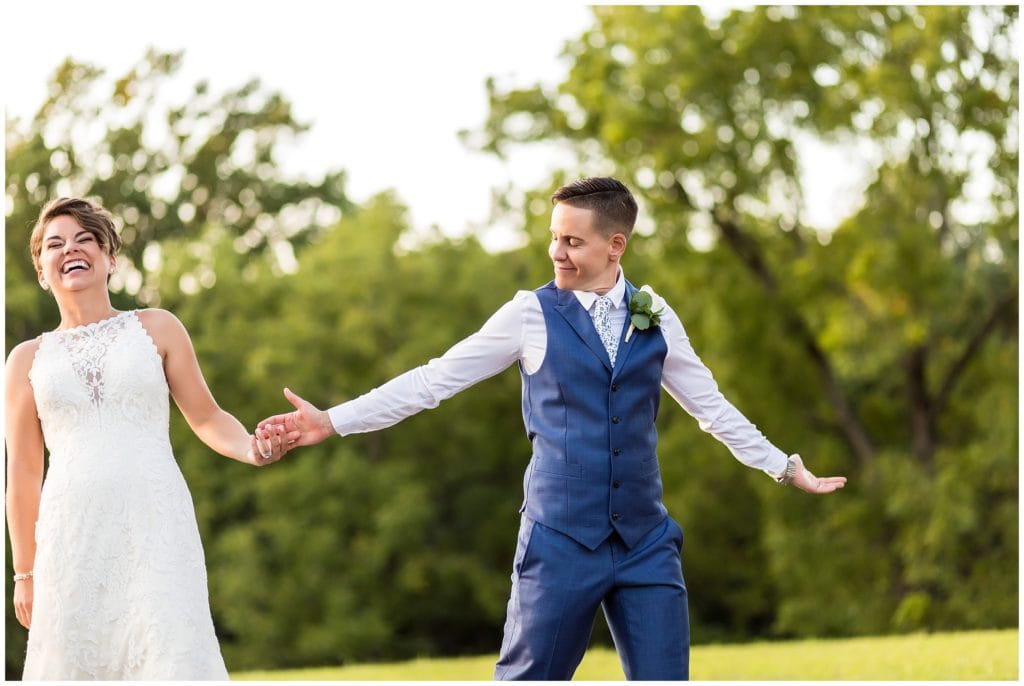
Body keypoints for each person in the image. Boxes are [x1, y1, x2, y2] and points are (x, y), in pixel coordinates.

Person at [258, 177, 847, 680]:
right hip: (560, 541)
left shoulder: (657, 315)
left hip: (646, 543)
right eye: (553, 239)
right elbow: (433, 381)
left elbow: (712, 409)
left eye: (573, 241)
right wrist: (333, 421)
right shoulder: (528, 314)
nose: (557, 253)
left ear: (616, 246)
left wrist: (784, 465)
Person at [5, 197, 290, 680]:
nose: (70, 249)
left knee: (169, 651)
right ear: (40, 271)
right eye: (54, 244)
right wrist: (24, 573)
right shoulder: (25, 360)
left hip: (155, 521)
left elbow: (207, 416)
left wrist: (249, 447)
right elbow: (24, 473)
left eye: (84, 239)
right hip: (71, 533)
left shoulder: (157, 328)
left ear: (109, 258)